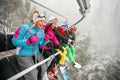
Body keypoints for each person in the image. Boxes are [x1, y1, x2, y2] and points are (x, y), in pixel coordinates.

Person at [12, 13, 47, 80]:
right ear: (36, 20)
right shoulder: (24, 27)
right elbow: (15, 41)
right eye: (41, 21)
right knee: (32, 76)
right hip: (23, 53)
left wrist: (45, 41)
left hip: (36, 52)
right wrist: (28, 41)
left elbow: (41, 44)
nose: (42, 23)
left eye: (44, 22)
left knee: (44, 68)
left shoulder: (41, 31)